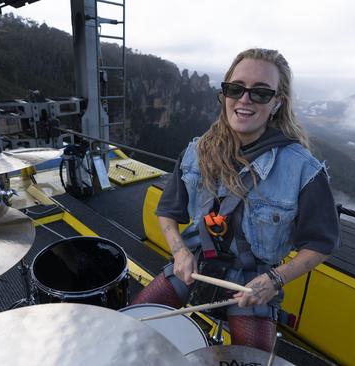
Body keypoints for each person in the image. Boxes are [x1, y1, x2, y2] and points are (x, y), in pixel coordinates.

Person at [132, 48, 340, 351]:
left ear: (277, 103)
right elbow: (167, 210)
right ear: (225, 95)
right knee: (133, 327)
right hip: (195, 262)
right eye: (236, 89)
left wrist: (274, 280)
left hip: (253, 280)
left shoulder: (303, 170)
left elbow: (322, 244)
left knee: (250, 360)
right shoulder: (197, 151)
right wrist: (179, 252)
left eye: (260, 93)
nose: (244, 99)